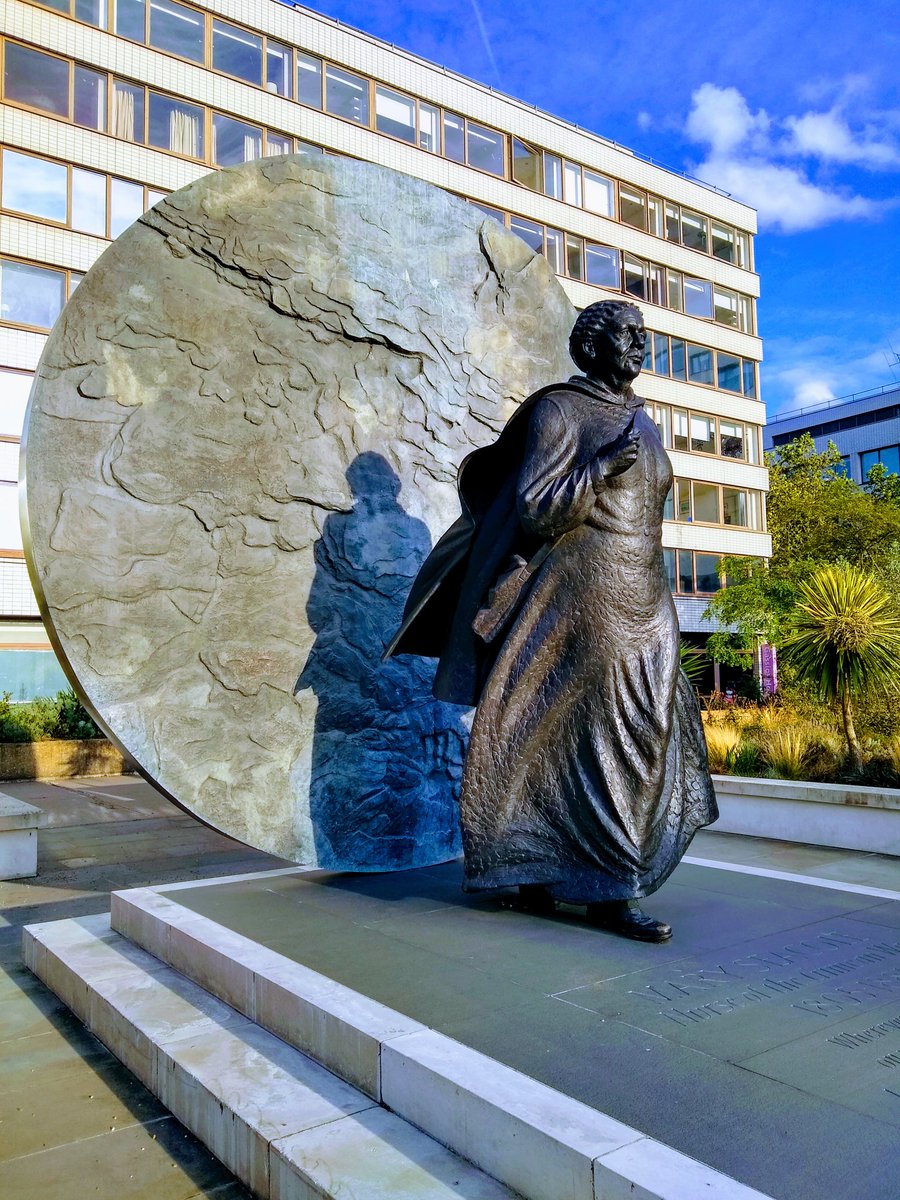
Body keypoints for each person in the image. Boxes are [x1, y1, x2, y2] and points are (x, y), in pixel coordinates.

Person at [385, 299, 717, 941]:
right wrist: (598, 468)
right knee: (604, 733)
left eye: (643, 337)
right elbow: (535, 507)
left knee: (645, 724)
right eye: (628, 336)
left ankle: (543, 864)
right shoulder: (558, 410)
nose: (640, 347)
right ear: (592, 346)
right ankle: (609, 889)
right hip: (584, 595)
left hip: (644, 593)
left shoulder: (643, 423)